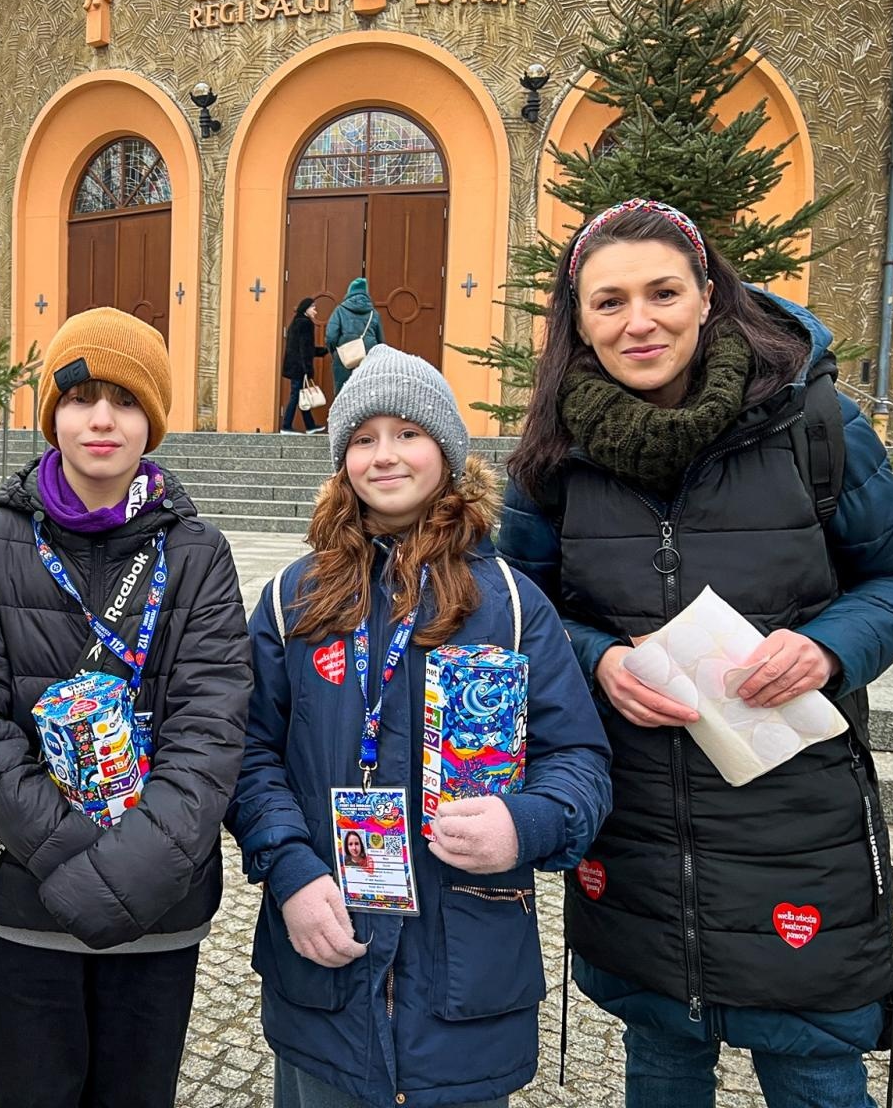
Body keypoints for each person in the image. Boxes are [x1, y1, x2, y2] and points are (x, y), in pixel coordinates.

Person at [497, 199, 893, 1108]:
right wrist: (596, 661)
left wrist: (826, 650)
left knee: (814, 1068)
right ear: (577, 321)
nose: (639, 321)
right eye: (609, 302)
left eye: (663, 292)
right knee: (661, 1057)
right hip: (639, 821)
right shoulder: (552, 456)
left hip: (794, 813)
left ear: (708, 295)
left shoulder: (814, 423)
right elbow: (522, 608)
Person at [227, 346, 612, 1108]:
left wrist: (526, 822)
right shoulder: (290, 600)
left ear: (447, 450)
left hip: (465, 974)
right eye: (364, 438)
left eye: (408, 432)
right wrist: (291, 873)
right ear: (342, 461)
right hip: (326, 962)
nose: (386, 455)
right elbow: (244, 755)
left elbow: (580, 758)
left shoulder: (510, 602)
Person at [0, 307, 253, 1108]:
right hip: (25, 890)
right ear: (54, 413)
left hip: (162, 898)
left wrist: (129, 872)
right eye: (82, 397)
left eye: (125, 398)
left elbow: (210, 729)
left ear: (154, 416)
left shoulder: (198, 553)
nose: (103, 419)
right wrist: (73, 862)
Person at [325, 276, 384, 397]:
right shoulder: (374, 313)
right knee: (367, 392)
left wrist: (334, 352)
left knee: (343, 393)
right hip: (369, 358)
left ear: (349, 292)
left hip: (344, 358)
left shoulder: (340, 310)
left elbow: (331, 336)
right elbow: (381, 342)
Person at [281, 296, 329, 434]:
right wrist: (308, 369)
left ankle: (309, 425)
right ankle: (286, 426)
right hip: (299, 366)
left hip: (294, 365)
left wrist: (322, 351)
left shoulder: (296, 322)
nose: (315, 311)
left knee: (301, 395)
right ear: (306, 309)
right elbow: (305, 349)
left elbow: (303, 347)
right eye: (313, 307)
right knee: (296, 395)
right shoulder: (305, 323)